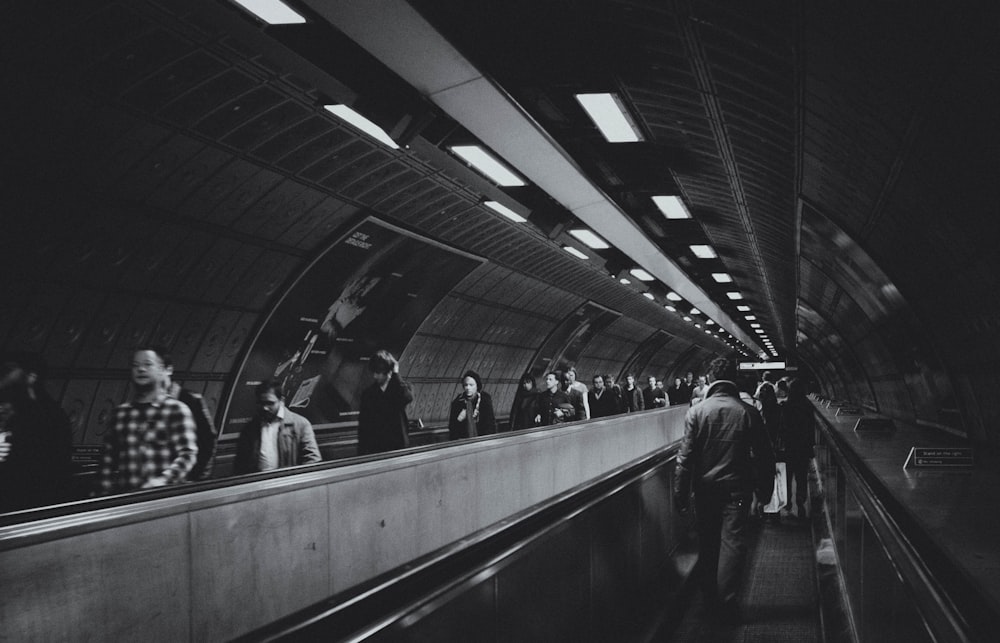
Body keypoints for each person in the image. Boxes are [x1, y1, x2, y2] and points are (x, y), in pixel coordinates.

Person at [674, 357, 775, 623]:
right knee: (733, 544)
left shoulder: (696, 412)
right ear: (735, 380)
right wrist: (764, 492)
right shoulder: (748, 412)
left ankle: (709, 601)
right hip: (737, 491)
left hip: (705, 491)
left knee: (708, 543)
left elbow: (685, 458)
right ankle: (727, 602)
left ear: (709, 379)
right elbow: (765, 456)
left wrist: (680, 494)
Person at [99, 348, 198, 493]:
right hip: (126, 501)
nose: (141, 369)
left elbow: (187, 454)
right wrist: (102, 492)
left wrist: (162, 481)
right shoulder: (120, 414)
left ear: (161, 370)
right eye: (135, 365)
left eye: (148, 364)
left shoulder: (175, 410)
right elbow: (107, 459)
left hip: (164, 499)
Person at [0, 353, 74, 512]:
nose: (4, 376)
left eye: (10, 370)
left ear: (31, 377)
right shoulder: (53, 412)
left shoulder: (46, 416)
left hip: (30, 503)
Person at [234, 380, 321, 474]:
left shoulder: (300, 424)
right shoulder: (250, 428)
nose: (265, 408)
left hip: (289, 483)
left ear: (281, 401)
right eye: (261, 403)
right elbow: (240, 464)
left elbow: (312, 459)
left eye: (270, 403)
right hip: (258, 484)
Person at [161, 351, 218, 481]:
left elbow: (208, 441)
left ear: (168, 370)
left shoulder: (191, 400)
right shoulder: (145, 404)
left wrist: (197, 478)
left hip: (186, 480)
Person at [357, 350, 414, 455]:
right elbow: (363, 426)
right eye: (374, 372)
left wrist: (396, 374)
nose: (375, 376)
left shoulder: (400, 388)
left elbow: (407, 398)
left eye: (378, 373)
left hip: (398, 448)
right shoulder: (368, 394)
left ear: (388, 372)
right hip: (377, 449)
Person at [780, 379, 815, 520]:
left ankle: (787, 503)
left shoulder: (786, 406)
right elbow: (811, 428)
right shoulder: (807, 406)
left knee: (787, 477)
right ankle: (800, 502)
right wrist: (811, 447)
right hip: (802, 448)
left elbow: (782, 428)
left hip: (788, 448)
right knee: (801, 477)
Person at [448, 370, 497, 440]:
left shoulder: (484, 401)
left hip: (483, 442)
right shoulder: (457, 402)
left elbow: (491, 426)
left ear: (477, 386)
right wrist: (459, 419)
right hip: (463, 443)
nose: (468, 388)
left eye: (471, 385)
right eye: (466, 385)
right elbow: (452, 429)